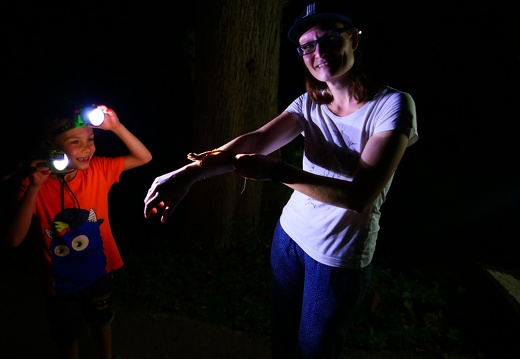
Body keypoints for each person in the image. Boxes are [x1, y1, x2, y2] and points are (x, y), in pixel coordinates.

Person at [143, 1, 418, 358]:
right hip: (289, 238)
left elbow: (360, 195)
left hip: (337, 256)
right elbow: (256, 140)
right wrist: (190, 173)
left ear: (353, 39)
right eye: (307, 46)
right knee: (283, 340)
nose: (318, 52)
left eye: (330, 39)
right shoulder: (309, 103)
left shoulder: (392, 106)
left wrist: (275, 172)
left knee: (314, 351)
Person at [5, 104, 152, 359]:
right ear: (51, 149)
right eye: (76, 142)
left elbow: (144, 158)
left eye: (91, 139)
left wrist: (117, 127)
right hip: (61, 284)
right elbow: (14, 240)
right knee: (67, 335)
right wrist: (33, 188)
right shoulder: (34, 184)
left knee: (102, 321)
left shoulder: (99, 170)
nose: (87, 148)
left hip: (99, 272)